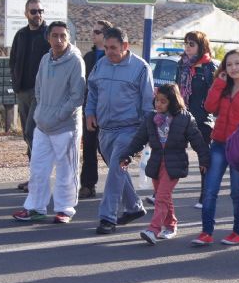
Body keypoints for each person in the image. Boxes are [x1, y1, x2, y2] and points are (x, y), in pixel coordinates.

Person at [12, 21, 85, 223]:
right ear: (48, 38)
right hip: (42, 125)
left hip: (65, 126)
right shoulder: (46, 59)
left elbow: (76, 97)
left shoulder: (75, 61)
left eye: (63, 35)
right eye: (55, 35)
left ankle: (65, 209)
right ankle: (35, 207)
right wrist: (40, 114)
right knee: (38, 168)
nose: (59, 40)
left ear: (68, 37)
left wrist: (57, 116)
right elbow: (38, 89)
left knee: (66, 169)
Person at [192, 49, 239, 246]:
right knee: (210, 189)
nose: (233, 68)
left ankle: (237, 232)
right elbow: (209, 107)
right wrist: (218, 84)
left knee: (237, 190)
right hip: (218, 143)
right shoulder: (223, 86)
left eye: (237, 63)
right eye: (229, 64)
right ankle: (206, 232)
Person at [119, 84, 210, 245]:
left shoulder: (184, 118)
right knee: (164, 196)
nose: (158, 104)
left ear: (173, 102)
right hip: (156, 163)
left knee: (160, 197)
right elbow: (139, 139)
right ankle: (171, 225)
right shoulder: (151, 118)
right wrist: (127, 155)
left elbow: (197, 140)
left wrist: (204, 160)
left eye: (163, 101)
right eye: (157, 100)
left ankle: (153, 230)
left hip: (174, 163)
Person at [85, 27, 154, 234]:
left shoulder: (141, 68)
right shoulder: (100, 65)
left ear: (125, 46)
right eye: (106, 48)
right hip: (105, 130)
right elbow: (93, 91)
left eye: (113, 48)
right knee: (118, 171)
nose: (109, 52)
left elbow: (148, 102)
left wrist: (147, 132)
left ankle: (108, 217)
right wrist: (89, 112)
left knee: (116, 168)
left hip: (130, 130)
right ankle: (133, 208)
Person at [9, 0, 51, 193]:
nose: (38, 15)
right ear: (26, 13)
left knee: (32, 132)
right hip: (22, 90)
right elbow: (13, 60)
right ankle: (34, 176)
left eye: (41, 11)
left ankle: (39, 178)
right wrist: (15, 84)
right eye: (34, 11)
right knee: (28, 135)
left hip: (40, 92)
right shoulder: (21, 35)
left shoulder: (49, 34)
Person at [176, 30, 218, 209]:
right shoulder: (182, 65)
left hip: (202, 118)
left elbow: (215, 93)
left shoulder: (209, 67)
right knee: (172, 153)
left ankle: (204, 196)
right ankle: (160, 192)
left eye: (191, 44)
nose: (187, 47)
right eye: (186, 44)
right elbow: (177, 90)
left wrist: (208, 110)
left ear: (201, 46)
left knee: (204, 159)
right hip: (182, 116)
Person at [79, 20, 113, 199]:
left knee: (108, 149)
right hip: (90, 109)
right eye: (93, 31)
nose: (93, 35)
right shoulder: (88, 58)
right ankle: (87, 184)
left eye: (97, 32)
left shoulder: (113, 58)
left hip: (108, 111)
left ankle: (120, 181)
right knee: (89, 147)